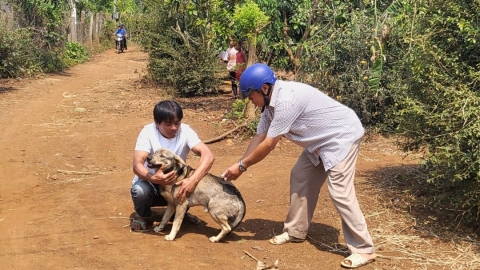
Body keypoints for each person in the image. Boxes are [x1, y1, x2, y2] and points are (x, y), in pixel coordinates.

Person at [221, 63, 376, 268]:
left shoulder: (286, 100)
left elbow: (269, 144)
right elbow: (259, 136)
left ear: (264, 89)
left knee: (340, 192)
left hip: (341, 136)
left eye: (251, 97)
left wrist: (242, 167)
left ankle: (364, 250)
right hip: (318, 142)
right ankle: (295, 231)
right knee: (300, 175)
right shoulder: (268, 106)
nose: (251, 101)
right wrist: (239, 163)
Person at [130, 100, 215, 231]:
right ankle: (142, 215)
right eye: (168, 124)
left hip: (175, 185)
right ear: (157, 123)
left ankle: (179, 212)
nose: (174, 128)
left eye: (177, 123)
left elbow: (208, 155)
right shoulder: (147, 132)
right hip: (151, 184)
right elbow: (137, 165)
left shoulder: (186, 131)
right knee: (140, 191)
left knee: (192, 182)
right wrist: (153, 178)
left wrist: (192, 180)